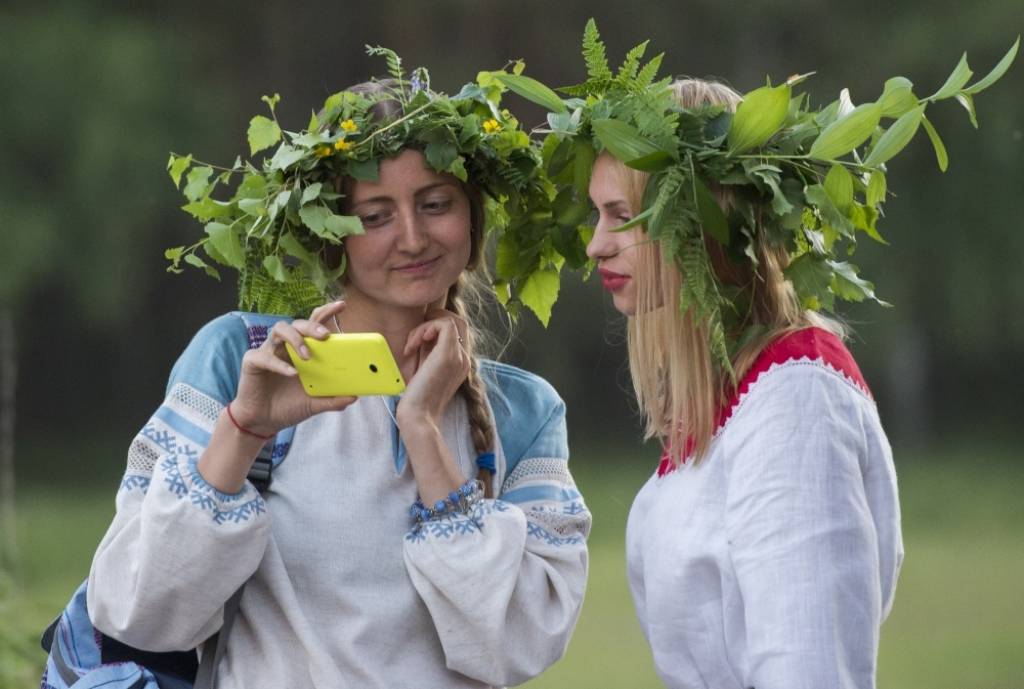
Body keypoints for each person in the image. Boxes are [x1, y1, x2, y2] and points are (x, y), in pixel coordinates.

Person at [83, 70, 591, 689]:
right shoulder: (245, 362)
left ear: (473, 217)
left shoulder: (522, 410)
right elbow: (143, 614)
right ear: (330, 237)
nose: (412, 237)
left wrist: (424, 429)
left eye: (435, 204)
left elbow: (518, 643)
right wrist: (245, 428)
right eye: (375, 216)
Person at [584, 77, 903, 689]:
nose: (596, 244)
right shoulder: (735, 400)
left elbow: (809, 667)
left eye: (621, 216)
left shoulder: (796, 398)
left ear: (699, 222)